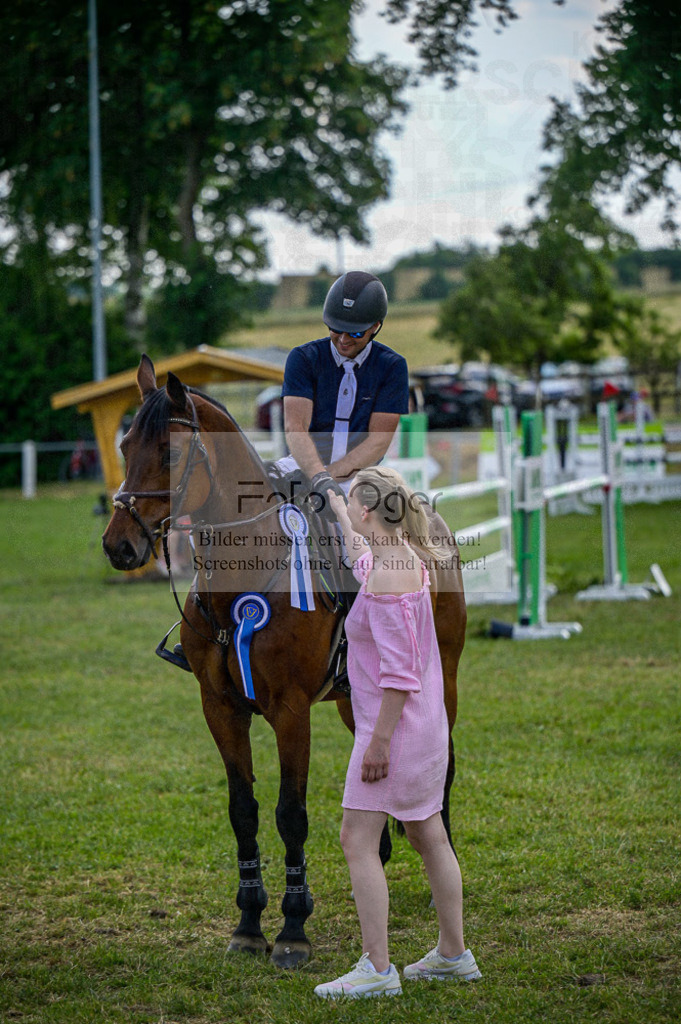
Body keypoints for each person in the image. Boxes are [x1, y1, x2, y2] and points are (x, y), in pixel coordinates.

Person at [314, 467, 481, 1000]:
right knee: (428, 834)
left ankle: (377, 969)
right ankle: (454, 956)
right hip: (426, 728)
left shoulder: (389, 577)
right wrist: (339, 512)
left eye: (353, 508)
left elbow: (399, 675)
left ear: (370, 512)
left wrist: (379, 743)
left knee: (356, 839)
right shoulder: (403, 558)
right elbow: (360, 558)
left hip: (395, 732)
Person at [277, 271, 409, 500]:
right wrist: (316, 475)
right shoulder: (303, 358)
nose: (344, 340)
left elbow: (378, 441)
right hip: (302, 466)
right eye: (336, 329)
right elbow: (295, 426)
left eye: (355, 333)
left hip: (360, 476)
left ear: (375, 326)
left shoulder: (392, 367)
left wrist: (327, 477)